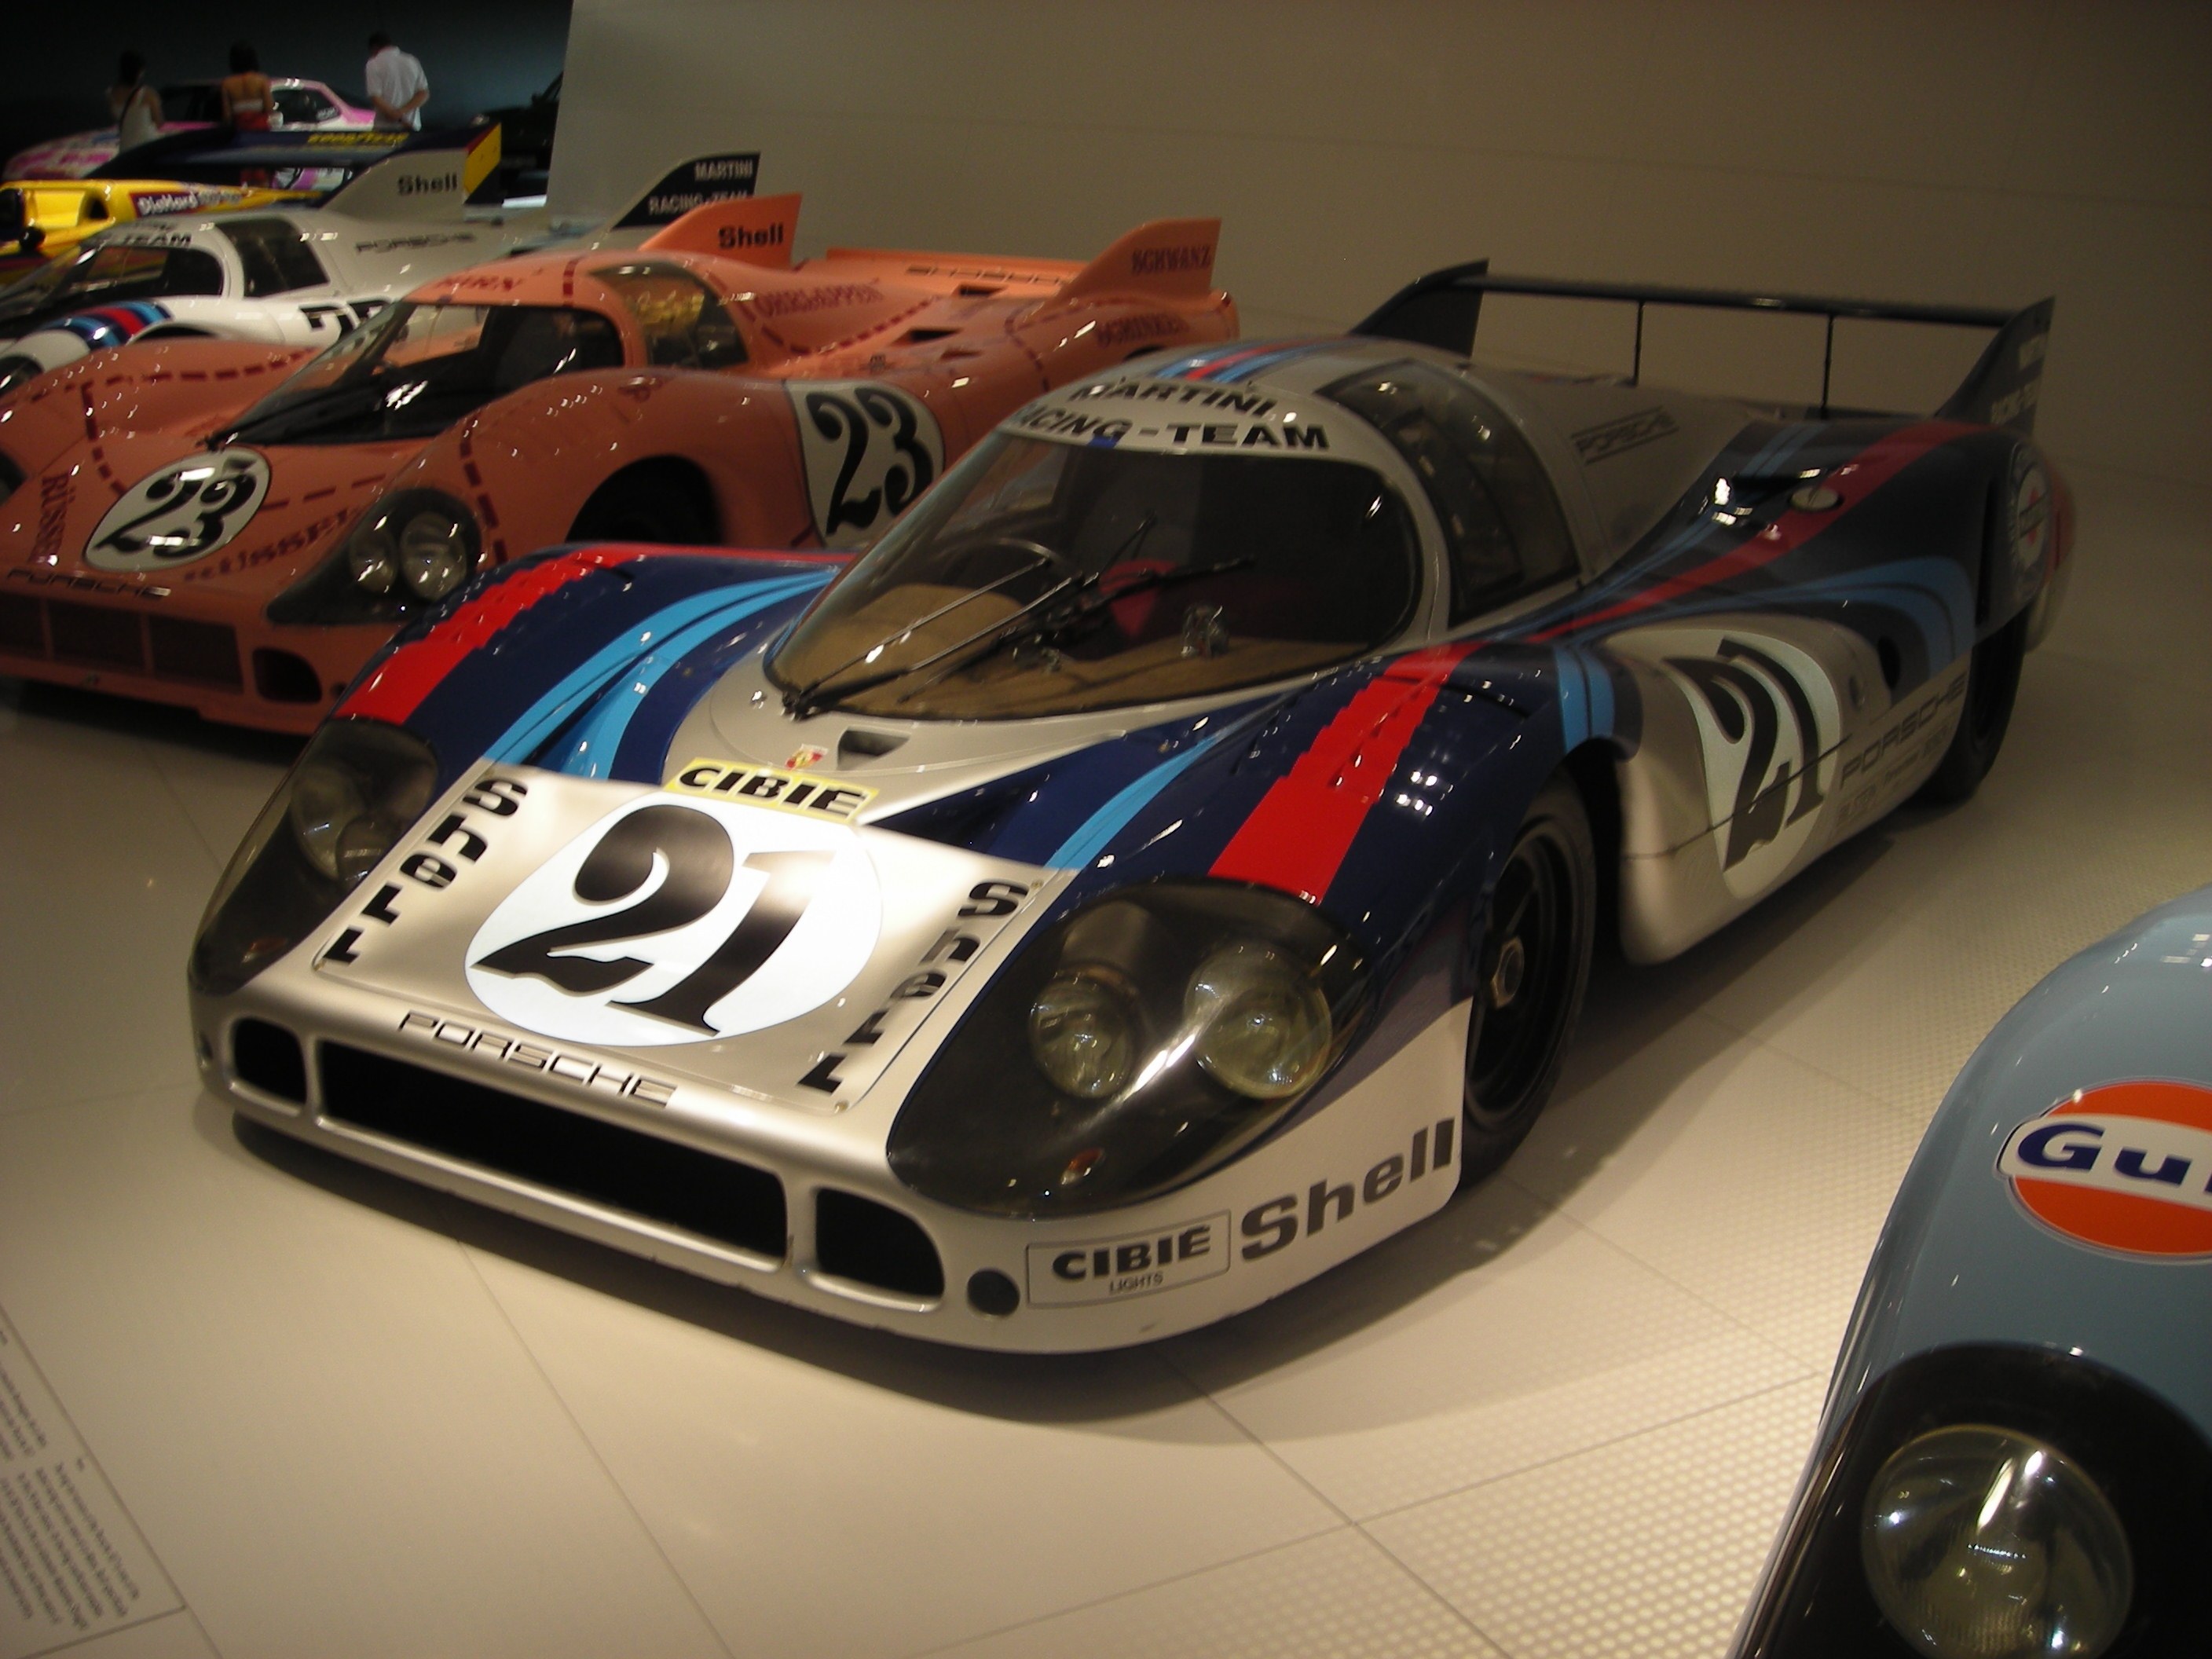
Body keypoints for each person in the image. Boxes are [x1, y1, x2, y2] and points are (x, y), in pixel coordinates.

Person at [365, 32, 430, 130]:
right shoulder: (412, 61)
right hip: (413, 127)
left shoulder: (374, 63)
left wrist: (396, 115)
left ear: (374, 47)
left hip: (385, 129)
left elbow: (375, 97)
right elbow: (423, 93)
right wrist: (403, 112)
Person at [108, 51, 163, 153]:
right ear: (140, 71)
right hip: (146, 146)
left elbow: (119, 119)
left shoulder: (111, 94)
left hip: (125, 147)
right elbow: (159, 122)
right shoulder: (148, 94)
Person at [220, 42, 272, 131]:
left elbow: (227, 116)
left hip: (239, 130)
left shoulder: (227, 83)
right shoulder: (261, 80)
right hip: (260, 129)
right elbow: (269, 108)